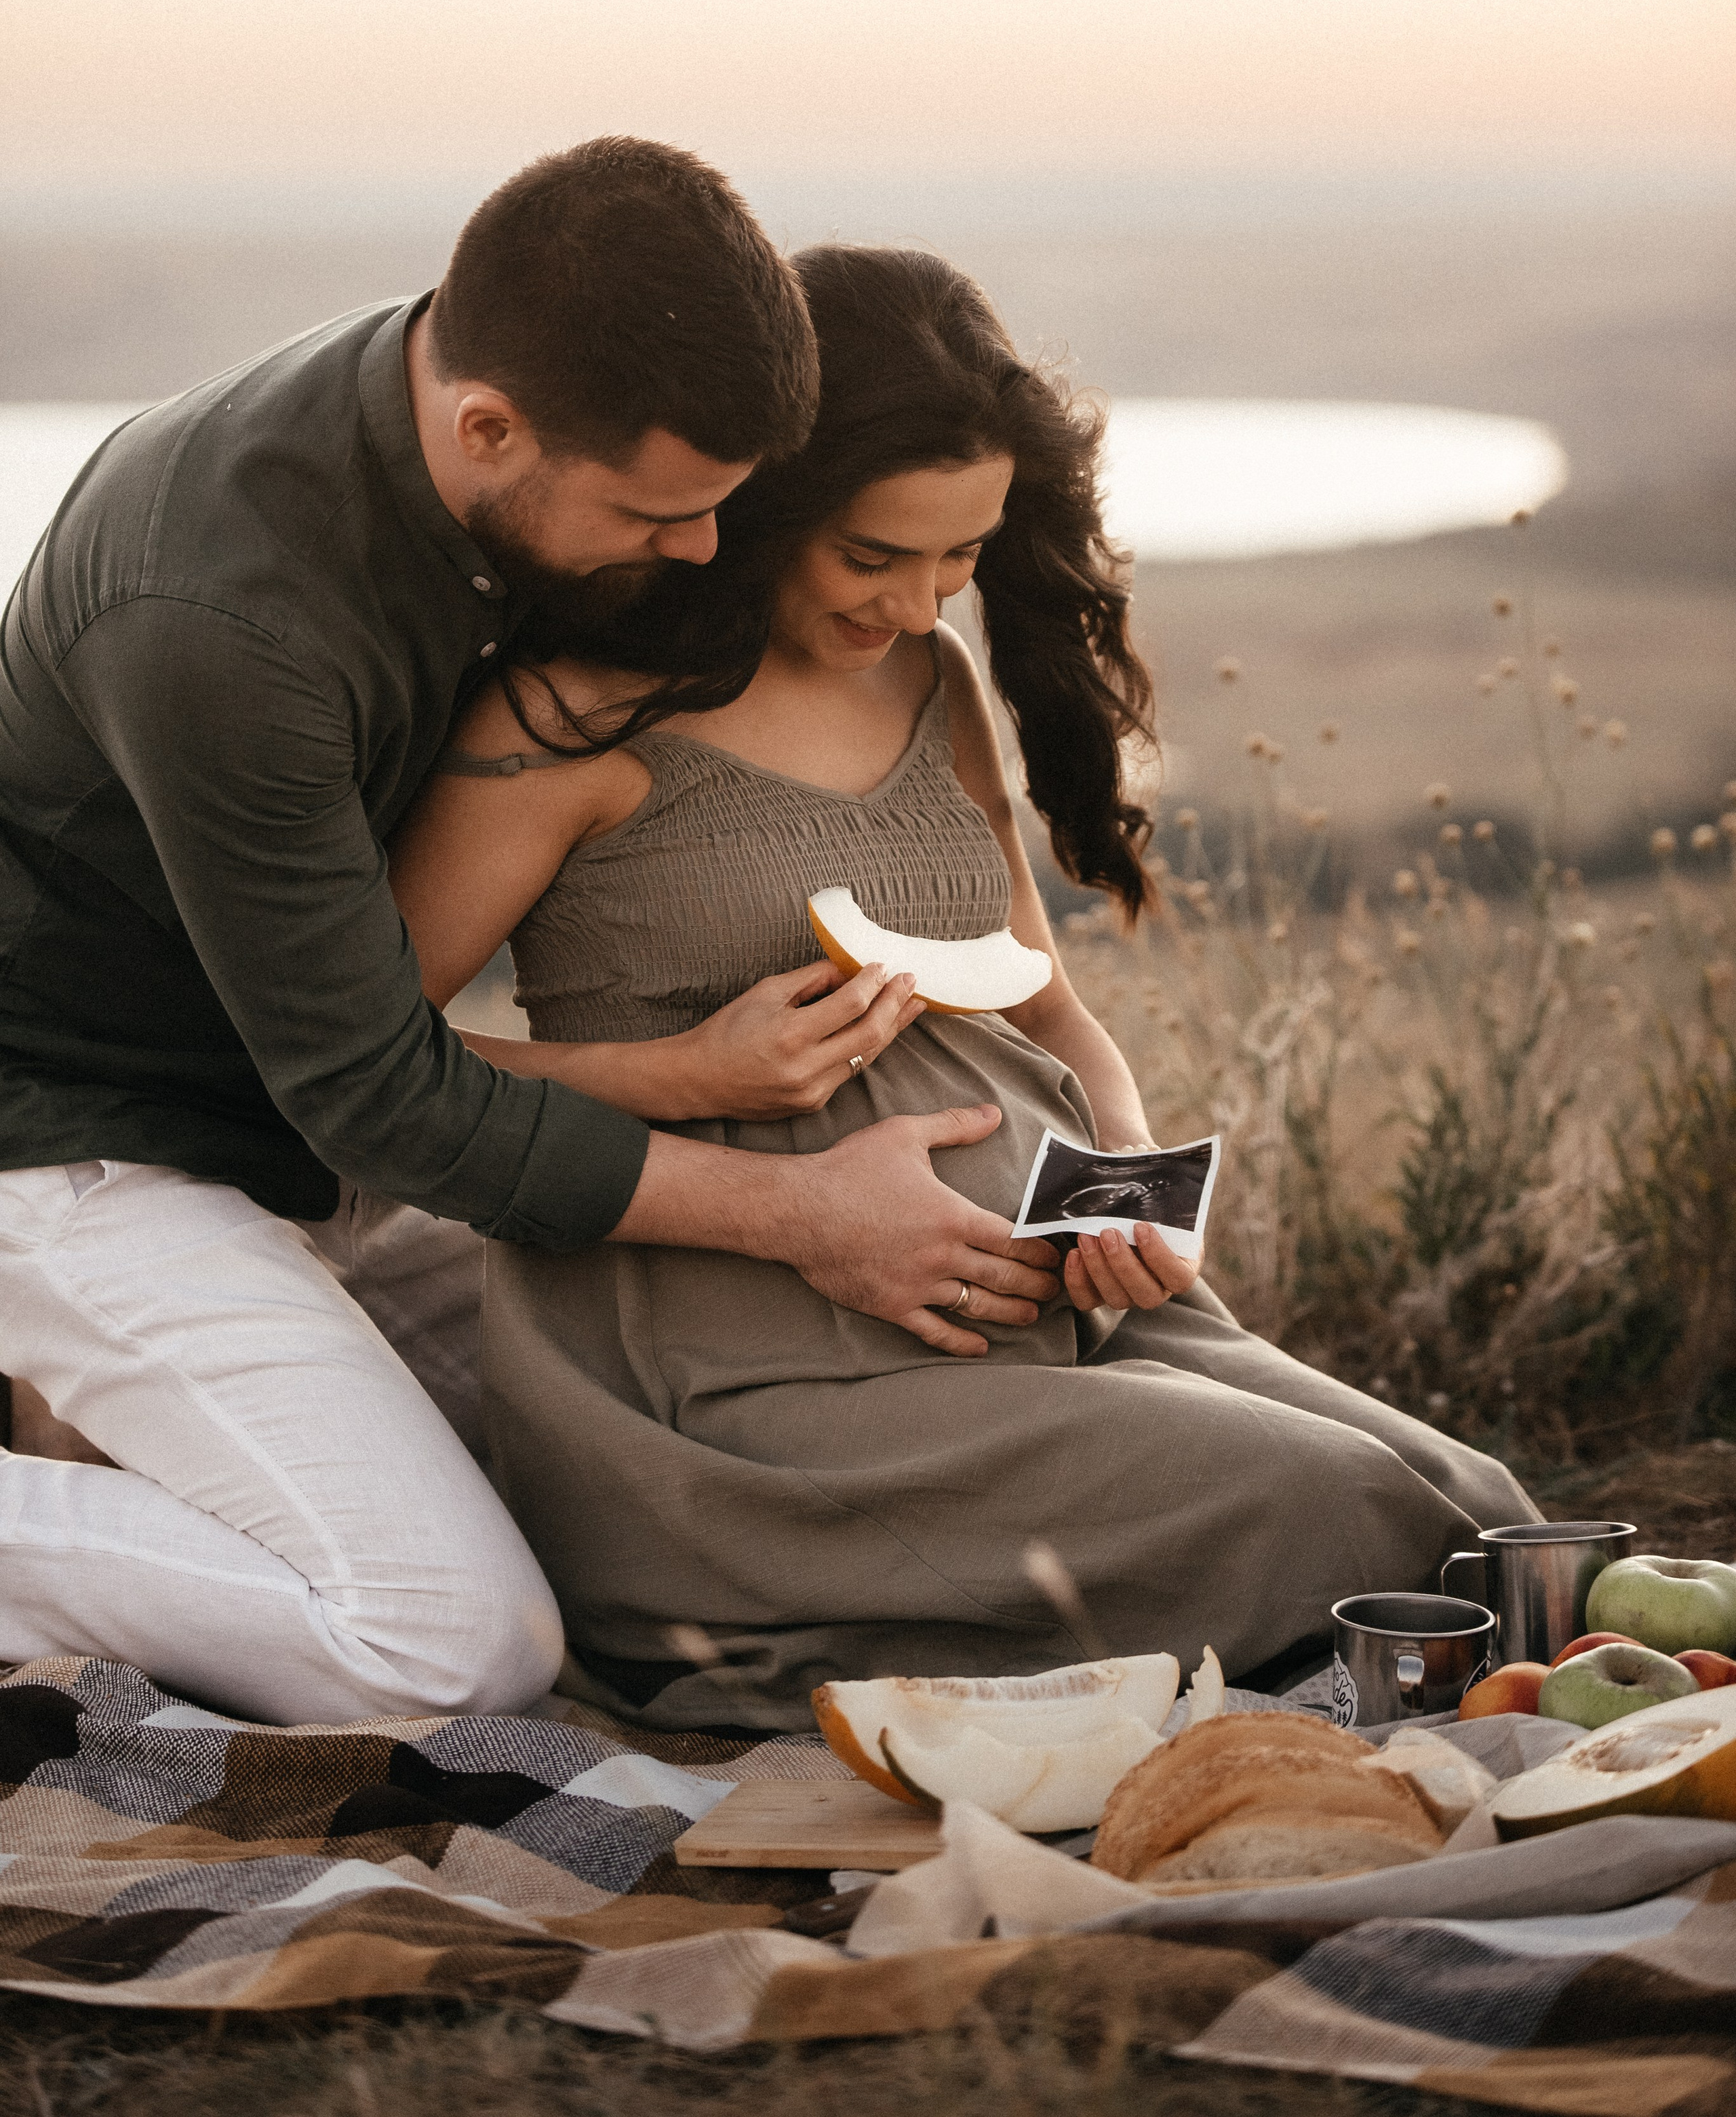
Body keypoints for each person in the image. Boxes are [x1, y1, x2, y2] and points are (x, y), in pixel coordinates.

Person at [391, 245, 1535, 1730]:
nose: (918, 601)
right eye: (872, 555)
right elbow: (374, 1061)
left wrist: (1132, 1185)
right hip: (740, 1380)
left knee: (1481, 1510)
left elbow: (1041, 1004)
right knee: (1344, 1516)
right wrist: (679, 1075)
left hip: (1046, 1306)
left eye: (959, 556)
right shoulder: (569, 721)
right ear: (757, 504)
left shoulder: (929, 680)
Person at [0, 143, 1061, 1726]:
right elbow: (373, 1095)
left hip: (301, 1125)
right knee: (453, 1640)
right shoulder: (222, 620)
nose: (700, 552)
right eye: (658, 513)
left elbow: (368, 1066)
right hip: (89, 1141)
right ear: (487, 427)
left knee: (638, 1483)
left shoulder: (506, 383)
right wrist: (797, 1211)